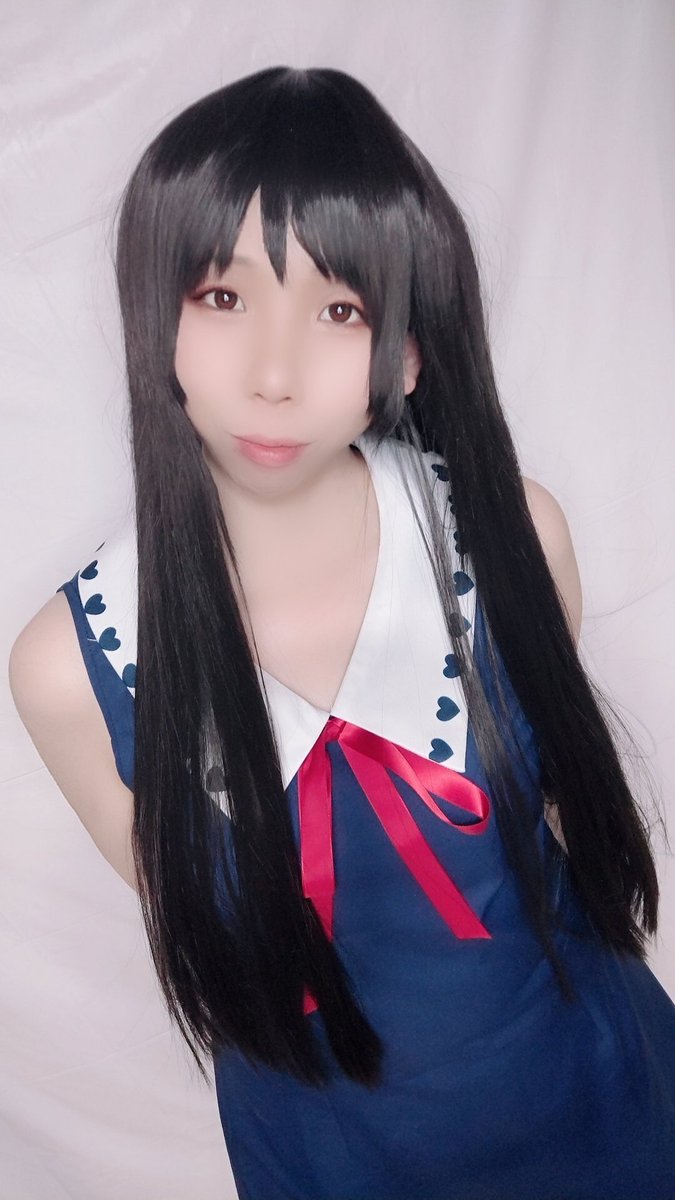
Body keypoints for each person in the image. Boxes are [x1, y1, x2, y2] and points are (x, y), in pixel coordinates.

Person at [8, 65, 675, 1200]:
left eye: (339, 311)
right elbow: (212, 935)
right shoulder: (74, 669)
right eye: (221, 297)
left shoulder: (510, 538)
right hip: (333, 1164)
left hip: (607, 1102)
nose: (273, 376)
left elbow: (565, 822)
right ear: (154, 315)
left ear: (407, 348)